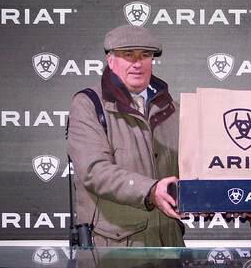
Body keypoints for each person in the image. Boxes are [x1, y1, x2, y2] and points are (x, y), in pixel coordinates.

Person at [67, 25, 183, 247]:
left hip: (169, 244)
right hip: (114, 253)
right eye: (128, 55)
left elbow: (192, 167)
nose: (137, 63)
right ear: (110, 61)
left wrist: (226, 197)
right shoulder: (88, 105)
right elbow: (94, 171)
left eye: (145, 55)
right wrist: (149, 190)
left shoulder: (173, 110)